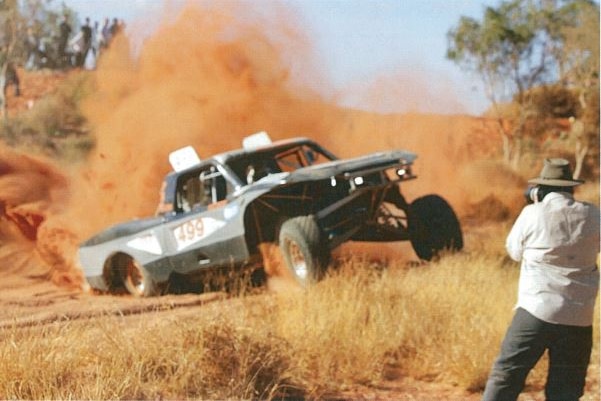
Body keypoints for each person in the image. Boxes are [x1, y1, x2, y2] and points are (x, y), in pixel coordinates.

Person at [482, 158, 600, 401]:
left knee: (506, 375)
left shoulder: (532, 213)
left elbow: (514, 251)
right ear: (571, 188)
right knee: (565, 390)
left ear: (541, 189)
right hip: (579, 317)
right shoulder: (594, 214)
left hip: (536, 311)